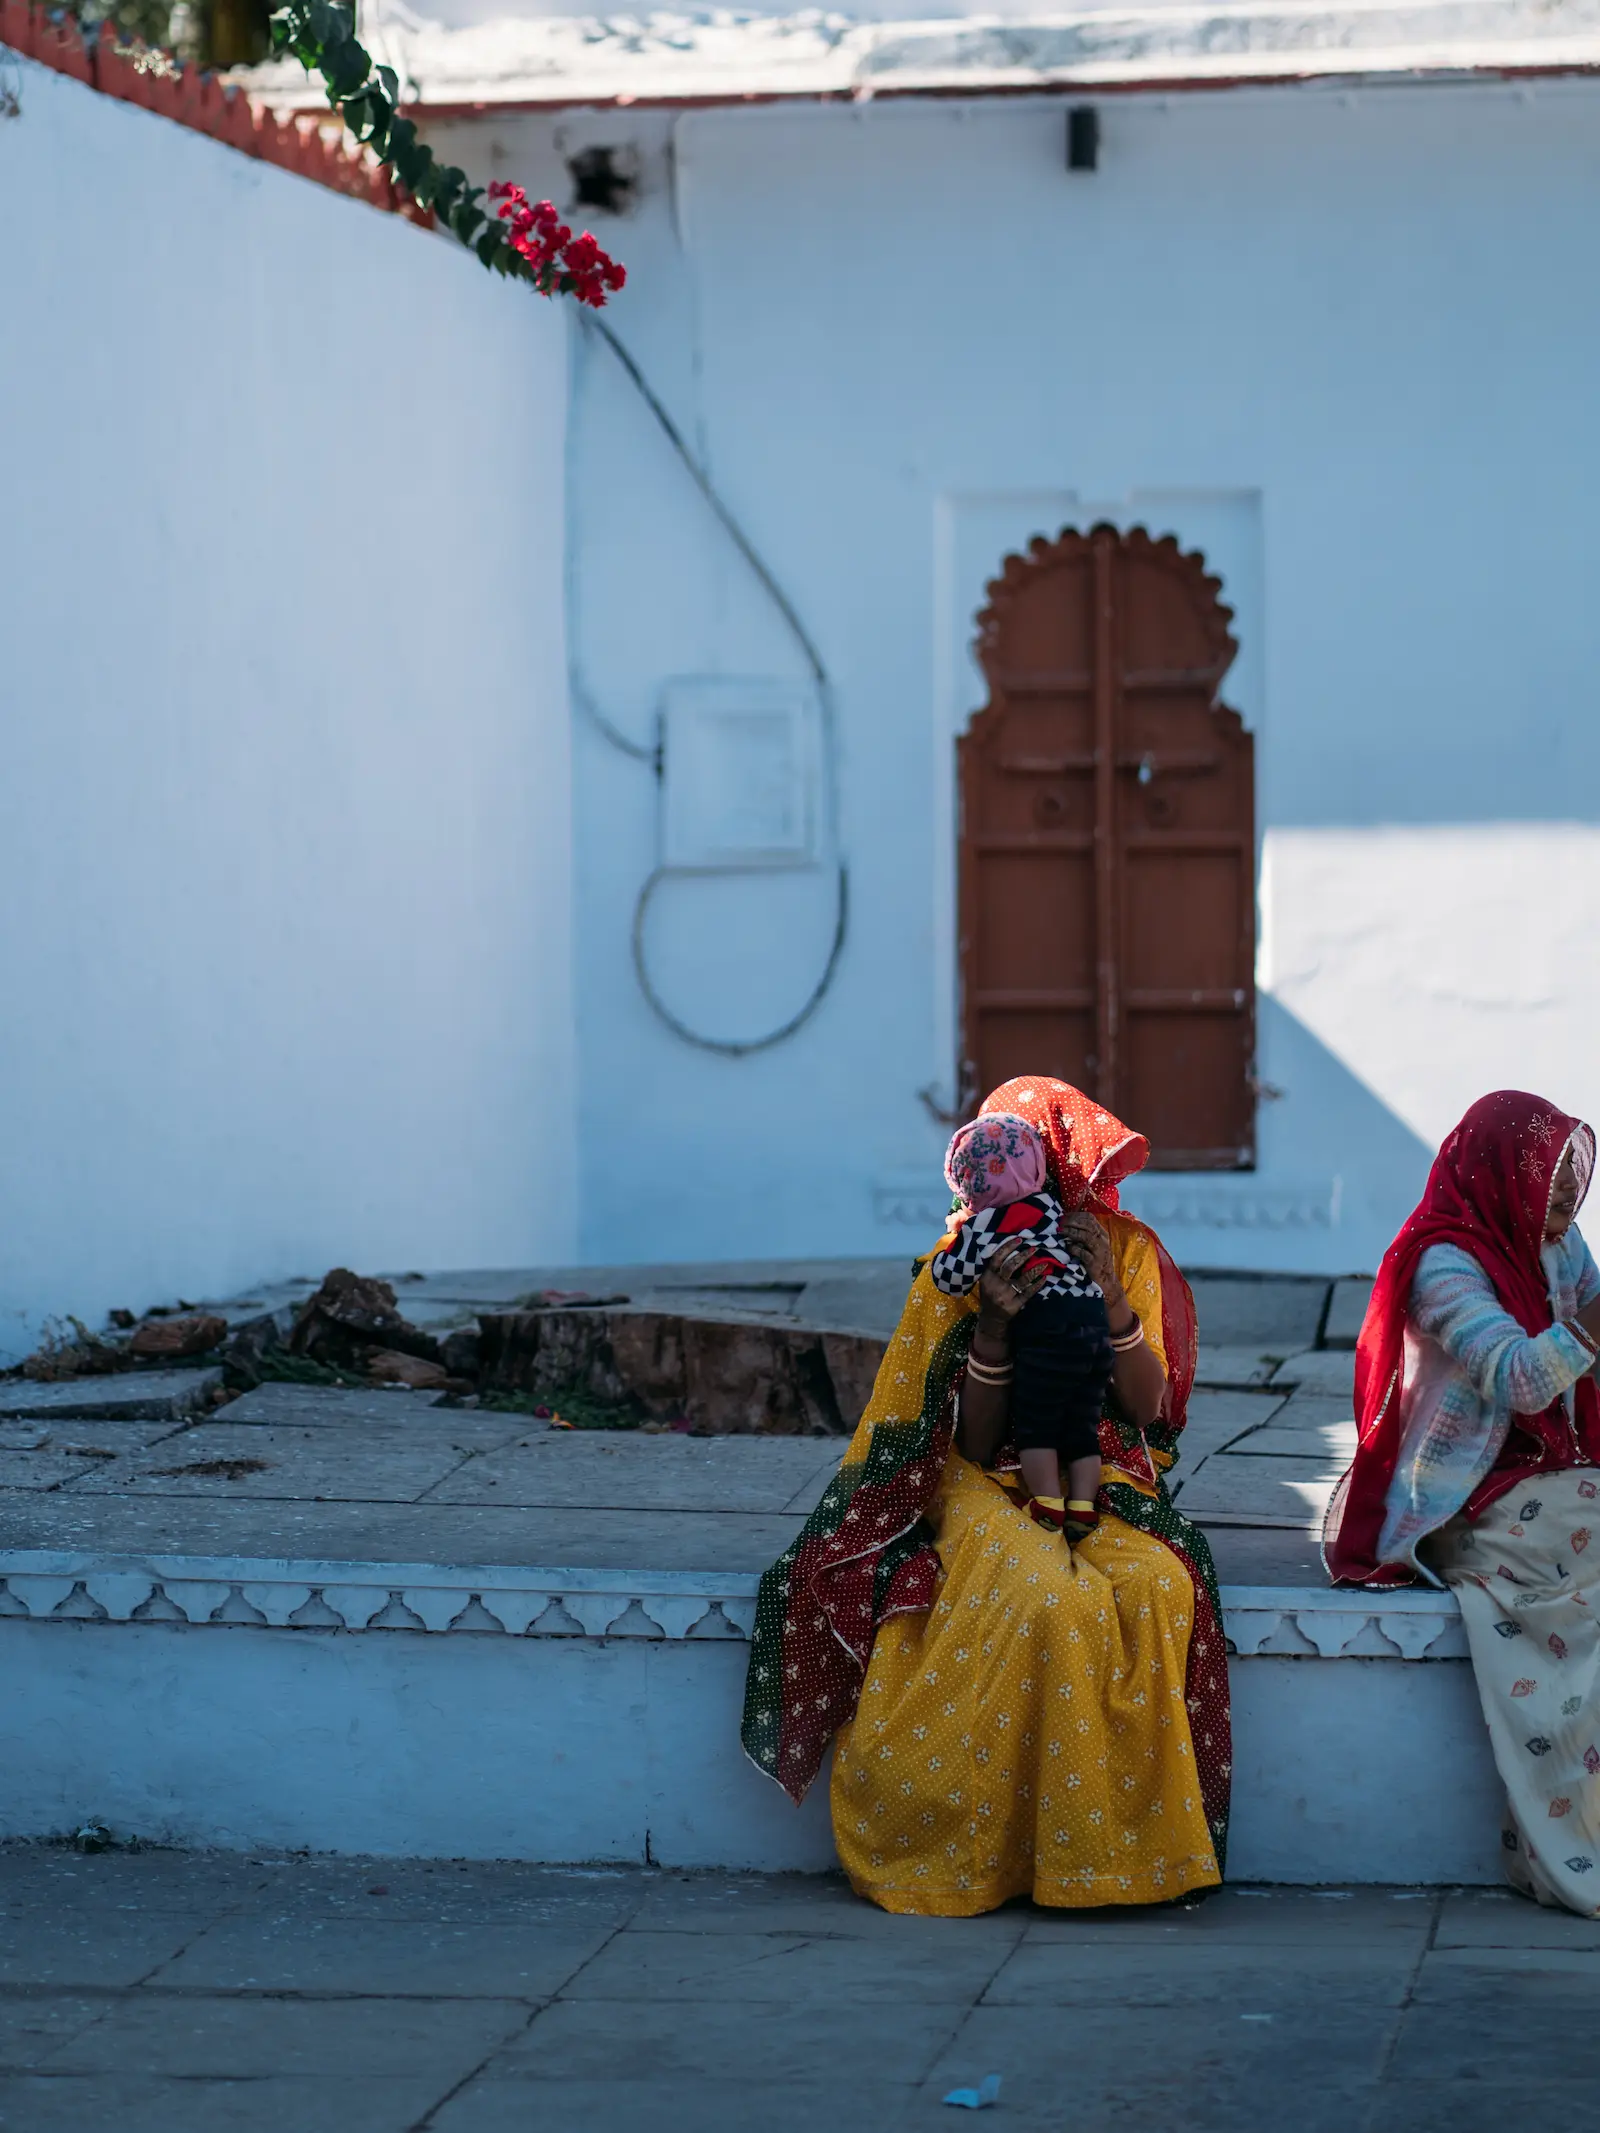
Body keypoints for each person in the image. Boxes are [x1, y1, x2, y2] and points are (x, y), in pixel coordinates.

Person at [742, 1075, 1230, 1917]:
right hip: (972, 1474)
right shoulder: (961, 1258)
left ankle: (1123, 1859)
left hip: (1099, 1463)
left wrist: (1110, 1294)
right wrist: (997, 1327)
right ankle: (992, 1856)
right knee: (1046, 1595)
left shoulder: (1127, 1250)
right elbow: (965, 1441)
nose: (1078, 1186)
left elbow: (1146, 1410)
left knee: (1158, 1586)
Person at [1325, 1088, 1600, 1913]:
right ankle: (1570, 1840)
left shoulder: (1557, 1247)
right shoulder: (1443, 1263)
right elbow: (1520, 1378)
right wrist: (1590, 1325)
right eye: (1546, 1174)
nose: (1566, 1194)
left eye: (1570, 1173)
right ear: (1497, 1172)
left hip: (1557, 1482)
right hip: (1470, 1498)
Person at [930, 1110, 1114, 1546]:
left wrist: (954, 1245)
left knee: (1038, 1424)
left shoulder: (983, 1226)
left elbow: (948, 1278)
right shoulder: (1052, 1207)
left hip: (1047, 1330)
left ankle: (1048, 1502)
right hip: (1092, 1321)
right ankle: (1084, 1505)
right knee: (1081, 1425)